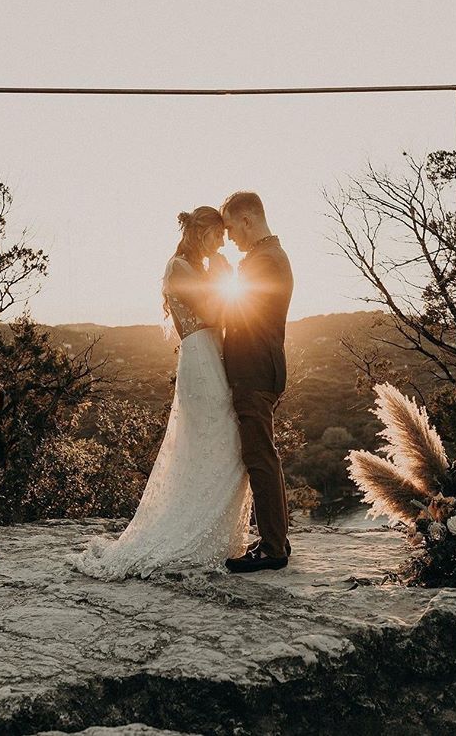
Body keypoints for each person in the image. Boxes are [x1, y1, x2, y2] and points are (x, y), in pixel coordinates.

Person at [65, 206, 252, 580]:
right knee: (220, 439)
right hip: (200, 359)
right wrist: (224, 275)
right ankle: (191, 532)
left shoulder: (196, 266)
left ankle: (210, 530)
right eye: (218, 235)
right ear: (201, 233)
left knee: (218, 441)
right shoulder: (179, 268)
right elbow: (214, 312)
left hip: (210, 356)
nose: (222, 243)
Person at [219, 191, 294, 573]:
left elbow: (235, 312)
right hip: (264, 366)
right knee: (266, 453)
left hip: (254, 369)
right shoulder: (270, 256)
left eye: (231, 227)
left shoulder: (263, 262)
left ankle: (272, 549)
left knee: (258, 457)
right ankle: (277, 536)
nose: (230, 237)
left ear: (247, 220)